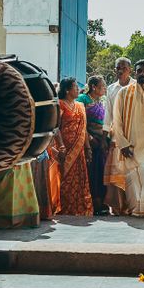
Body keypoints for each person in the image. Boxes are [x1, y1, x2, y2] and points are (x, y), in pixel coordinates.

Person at [109, 60, 144, 218]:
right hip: (130, 144)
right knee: (133, 178)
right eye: (139, 71)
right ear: (135, 72)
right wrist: (122, 144)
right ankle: (136, 209)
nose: (142, 74)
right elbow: (116, 121)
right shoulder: (124, 93)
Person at [56, 77, 93, 216]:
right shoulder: (60, 104)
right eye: (75, 87)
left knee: (80, 180)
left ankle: (80, 209)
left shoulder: (80, 106)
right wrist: (61, 147)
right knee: (66, 180)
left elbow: (84, 129)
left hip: (79, 150)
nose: (78, 89)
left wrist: (88, 148)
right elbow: (56, 128)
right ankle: (65, 208)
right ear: (67, 90)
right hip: (66, 150)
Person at [103, 57, 135, 214]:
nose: (120, 70)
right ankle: (117, 207)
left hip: (133, 136)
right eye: (117, 68)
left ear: (130, 70)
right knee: (117, 171)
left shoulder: (136, 86)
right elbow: (108, 112)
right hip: (116, 136)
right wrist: (104, 135)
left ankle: (132, 205)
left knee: (131, 171)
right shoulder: (111, 89)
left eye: (123, 67)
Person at [77, 75, 109, 215]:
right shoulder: (82, 99)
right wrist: (89, 138)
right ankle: (93, 204)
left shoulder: (101, 101)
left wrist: (103, 140)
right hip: (89, 142)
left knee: (101, 172)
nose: (104, 88)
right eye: (102, 86)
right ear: (93, 87)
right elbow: (79, 121)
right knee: (92, 174)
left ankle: (102, 202)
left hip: (101, 142)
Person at [0, 163, 40, 228]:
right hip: (8, 159)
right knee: (4, 183)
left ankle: (22, 219)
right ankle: (3, 219)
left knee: (22, 183)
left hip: (19, 158)